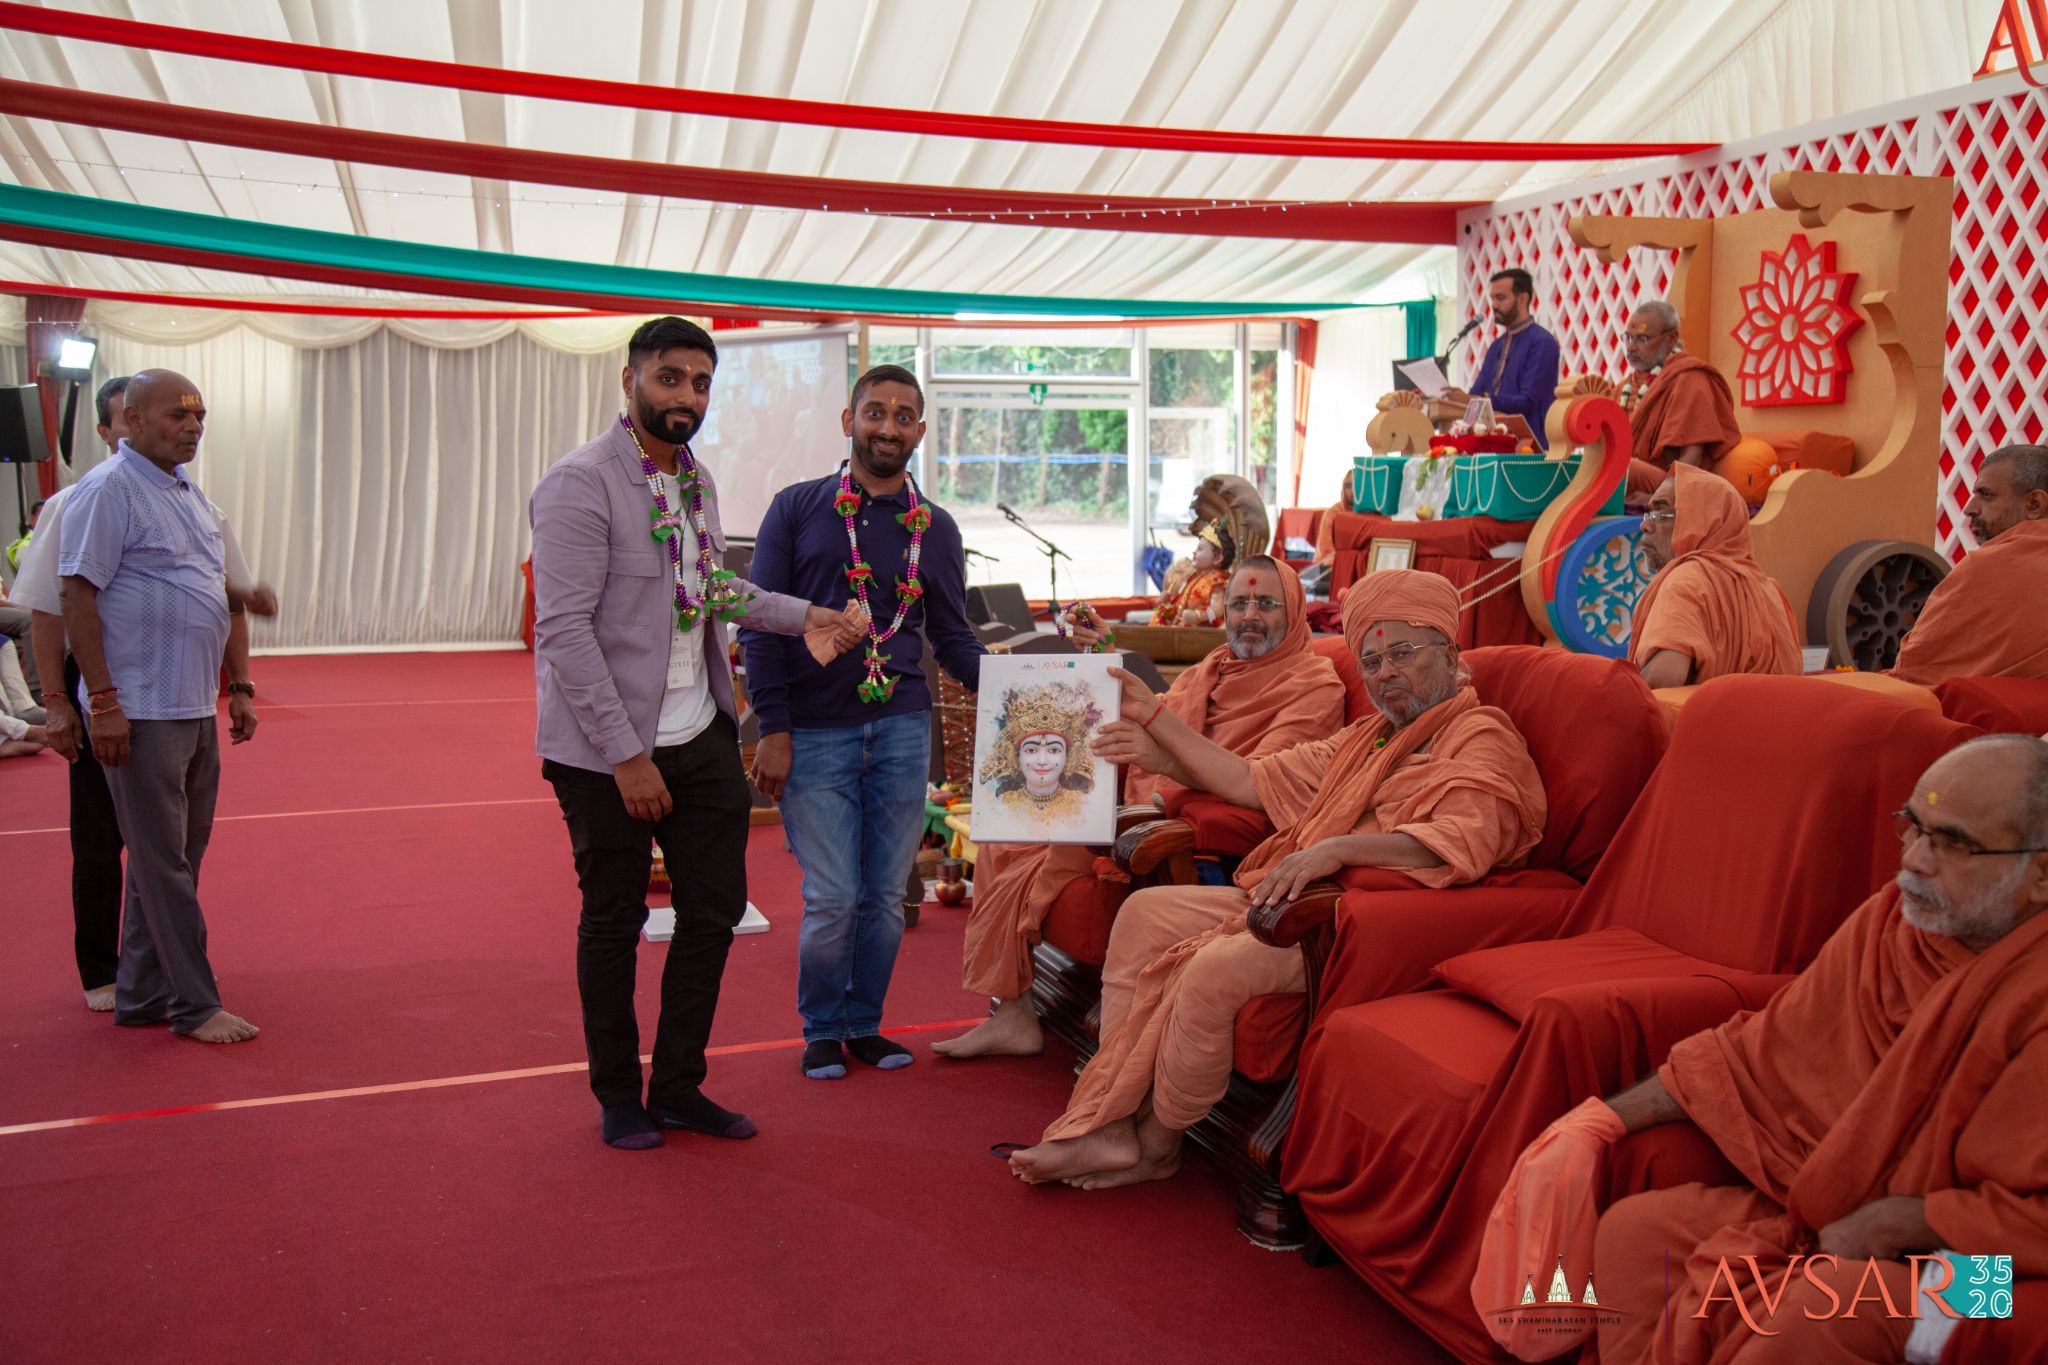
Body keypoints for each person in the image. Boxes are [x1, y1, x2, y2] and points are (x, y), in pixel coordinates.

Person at [1489, 735, 2048, 1363]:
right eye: (1912, 827)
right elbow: (1759, 1050)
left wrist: (1905, 1221)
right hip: (1835, 1218)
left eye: (1953, 843)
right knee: (1639, 1238)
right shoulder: (1894, 922)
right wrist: (1602, 1119)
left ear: (2041, 877)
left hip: (1999, 1273)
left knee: (1825, 1308)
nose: (1915, 860)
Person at [1006, 570, 1547, 1188]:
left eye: (1402, 653)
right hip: (1284, 895)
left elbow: (1464, 839)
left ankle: (1157, 1143)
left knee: (1211, 968)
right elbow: (1247, 780)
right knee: (1144, 913)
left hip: (1350, 920)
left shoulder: (1482, 736)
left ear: (1450, 655)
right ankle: (1103, 1121)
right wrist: (1153, 713)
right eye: (1371, 661)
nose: (1384, 673)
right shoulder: (1367, 738)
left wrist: (1336, 848)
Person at [530, 316, 857, 1150]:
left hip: (701, 728)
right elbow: (563, 632)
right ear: (631, 379)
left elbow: (712, 586)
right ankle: (617, 1094)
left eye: (701, 383)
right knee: (612, 920)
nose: (687, 396)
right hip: (607, 750)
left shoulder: (695, 480)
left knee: (711, 912)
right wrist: (628, 757)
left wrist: (806, 613)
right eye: (670, 378)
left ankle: (677, 1084)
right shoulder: (580, 484)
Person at [934, 556, 1345, 1061]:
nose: (1250, 616)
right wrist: (1103, 655)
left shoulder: (1314, 684)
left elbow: (1257, 782)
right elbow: (1163, 717)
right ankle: (1015, 1012)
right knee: (1009, 834)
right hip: (1151, 804)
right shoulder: (1214, 667)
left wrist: (1160, 761)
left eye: (1266, 603)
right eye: (1239, 603)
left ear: (1297, 610)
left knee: (1054, 846)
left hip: (1205, 841)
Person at [741, 364, 986, 1082]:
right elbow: (760, 623)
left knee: (885, 896)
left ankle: (864, 1024)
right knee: (834, 897)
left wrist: (1024, 689)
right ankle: (822, 1026)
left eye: (903, 414)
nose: (888, 426)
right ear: (848, 422)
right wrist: (774, 729)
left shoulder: (935, 528)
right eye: (874, 412)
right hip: (814, 731)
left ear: (918, 430)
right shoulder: (796, 508)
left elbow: (954, 636)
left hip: (904, 730)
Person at [20, 374, 264, 1014]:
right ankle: (194, 1005)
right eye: (176, 416)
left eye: (200, 416)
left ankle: (140, 990)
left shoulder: (190, 495)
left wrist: (238, 681)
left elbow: (217, 593)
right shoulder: (102, 493)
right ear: (128, 421)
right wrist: (91, 702)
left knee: (179, 857)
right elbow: (68, 599)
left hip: (192, 707)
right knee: (154, 864)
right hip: (138, 708)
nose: (193, 427)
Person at [1888, 444, 2048, 685]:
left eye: (1987, 495)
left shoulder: (1989, 567)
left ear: (2034, 504)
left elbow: (1914, 666)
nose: (1968, 509)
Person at [1631, 464, 1802, 689]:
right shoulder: (1770, 590)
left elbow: (1664, 677)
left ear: (1702, 521)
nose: (1645, 525)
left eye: (1661, 514)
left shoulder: (1687, 579)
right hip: (1775, 722)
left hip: (1711, 723)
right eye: (1649, 514)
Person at [1624, 300, 1741, 500]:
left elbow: (1691, 459)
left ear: (1670, 339)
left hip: (1674, 483)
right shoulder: (1627, 385)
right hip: (1631, 474)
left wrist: (1663, 497)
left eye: (1642, 339)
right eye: (1627, 338)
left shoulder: (1690, 377)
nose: (1631, 347)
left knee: (1623, 470)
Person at [1441, 268, 1563, 449]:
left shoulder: (1542, 343)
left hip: (1531, 449)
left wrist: (1477, 400)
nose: (1494, 305)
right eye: (1492, 298)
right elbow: (1477, 393)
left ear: (1523, 299)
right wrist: (1458, 398)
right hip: (1492, 445)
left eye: (1501, 298)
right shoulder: (1496, 347)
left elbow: (1527, 401)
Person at [1153, 523, 1232, 626]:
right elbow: (1181, 603)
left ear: (1218, 558)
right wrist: (1167, 601)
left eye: (1200, 549)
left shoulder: (1217, 580)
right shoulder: (1193, 576)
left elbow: (1217, 610)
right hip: (1180, 626)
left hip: (1200, 632)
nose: (1194, 552)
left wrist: (1200, 616)